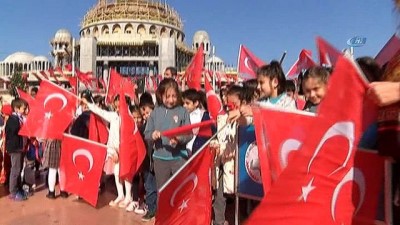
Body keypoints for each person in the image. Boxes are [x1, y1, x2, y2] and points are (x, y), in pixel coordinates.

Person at [83, 95, 133, 209]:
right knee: (117, 173)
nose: (117, 106)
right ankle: (121, 195)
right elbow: (100, 111)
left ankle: (128, 196)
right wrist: (89, 104)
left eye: (120, 103)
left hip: (125, 151)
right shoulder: (114, 116)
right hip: (114, 150)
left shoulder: (128, 117)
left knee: (126, 173)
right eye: (116, 103)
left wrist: (121, 151)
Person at [144, 78, 192, 190]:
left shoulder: (183, 111)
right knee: (163, 192)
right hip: (160, 160)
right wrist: (153, 135)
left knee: (180, 191)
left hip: (179, 159)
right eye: (167, 96)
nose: (171, 100)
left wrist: (179, 139)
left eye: (174, 96)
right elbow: (147, 133)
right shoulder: (155, 112)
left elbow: (189, 133)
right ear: (161, 96)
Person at [5, 98, 28, 201]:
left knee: (19, 169)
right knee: (15, 170)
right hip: (15, 148)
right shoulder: (12, 119)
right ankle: (13, 191)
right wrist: (23, 124)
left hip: (20, 147)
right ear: (16, 109)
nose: (25, 110)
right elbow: (14, 130)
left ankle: (18, 188)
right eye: (24, 108)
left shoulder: (20, 118)